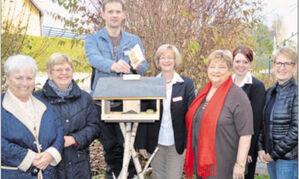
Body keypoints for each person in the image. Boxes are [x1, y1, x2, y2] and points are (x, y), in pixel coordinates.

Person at [84, 0, 149, 178]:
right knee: (111, 145)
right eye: (110, 11)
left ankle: (122, 174)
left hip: (127, 100)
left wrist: (137, 64)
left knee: (127, 144)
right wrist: (114, 66)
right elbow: (94, 59)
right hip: (102, 102)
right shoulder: (93, 40)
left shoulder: (133, 40)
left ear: (123, 15)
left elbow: (143, 67)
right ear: (103, 15)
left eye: (117, 11)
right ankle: (118, 173)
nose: (114, 15)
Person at [184, 50, 254, 179]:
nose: (216, 71)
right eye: (212, 66)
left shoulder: (237, 96)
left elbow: (246, 134)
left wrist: (240, 164)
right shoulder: (202, 92)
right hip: (203, 163)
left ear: (229, 70)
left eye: (222, 67)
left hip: (225, 166)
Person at [34, 53, 100, 179]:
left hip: (79, 165)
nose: (64, 73)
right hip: (49, 165)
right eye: (59, 70)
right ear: (49, 74)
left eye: (67, 69)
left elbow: (95, 127)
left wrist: (74, 139)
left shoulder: (85, 98)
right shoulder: (37, 99)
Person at [136, 44, 195, 179]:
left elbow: (191, 116)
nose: (166, 61)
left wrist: (189, 143)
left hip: (177, 143)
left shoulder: (186, 85)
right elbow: (143, 115)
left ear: (175, 61)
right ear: (158, 61)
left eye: (170, 57)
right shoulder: (150, 84)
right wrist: (141, 144)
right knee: (158, 176)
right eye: (163, 57)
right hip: (155, 142)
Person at [1, 55, 64, 179]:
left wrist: (51, 154)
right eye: (18, 78)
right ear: (7, 79)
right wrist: (29, 158)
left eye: (29, 78)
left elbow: (59, 131)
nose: (24, 83)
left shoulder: (44, 105)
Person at [257, 47, 298, 179]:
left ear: (295, 67)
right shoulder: (270, 92)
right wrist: (260, 148)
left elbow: (296, 130)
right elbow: (263, 123)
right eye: (279, 63)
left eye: (287, 63)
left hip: (288, 159)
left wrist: (273, 154)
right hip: (270, 157)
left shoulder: (296, 92)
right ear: (274, 65)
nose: (282, 67)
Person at [232, 46, 266, 179]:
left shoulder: (256, 86)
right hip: (227, 143)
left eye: (245, 62)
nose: (241, 65)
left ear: (250, 64)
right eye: (238, 61)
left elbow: (257, 120)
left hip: (246, 146)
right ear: (232, 62)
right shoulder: (226, 83)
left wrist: (250, 151)